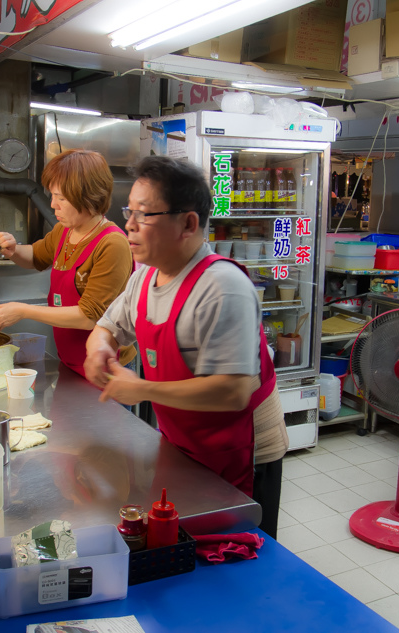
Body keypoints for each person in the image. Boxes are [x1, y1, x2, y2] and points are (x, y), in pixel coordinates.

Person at [83, 155, 288, 538]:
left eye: (144, 214)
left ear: (188, 223)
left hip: (242, 449)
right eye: (129, 211)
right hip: (183, 441)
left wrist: (139, 388)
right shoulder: (144, 278)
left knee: (239, 554)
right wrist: (99, 350)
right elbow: (106, 327)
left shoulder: (222, 287)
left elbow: (233, 390)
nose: (128, 224)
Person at [0, 149, 134, 375]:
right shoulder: (64, 231)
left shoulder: (112, 244)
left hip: (107, 368)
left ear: (89, 196)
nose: (53, 204)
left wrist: (23, 311)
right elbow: (36, 256)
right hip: (71, 359)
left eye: (62, 198)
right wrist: (13, 250)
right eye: (52, 195)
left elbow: (88, 317)